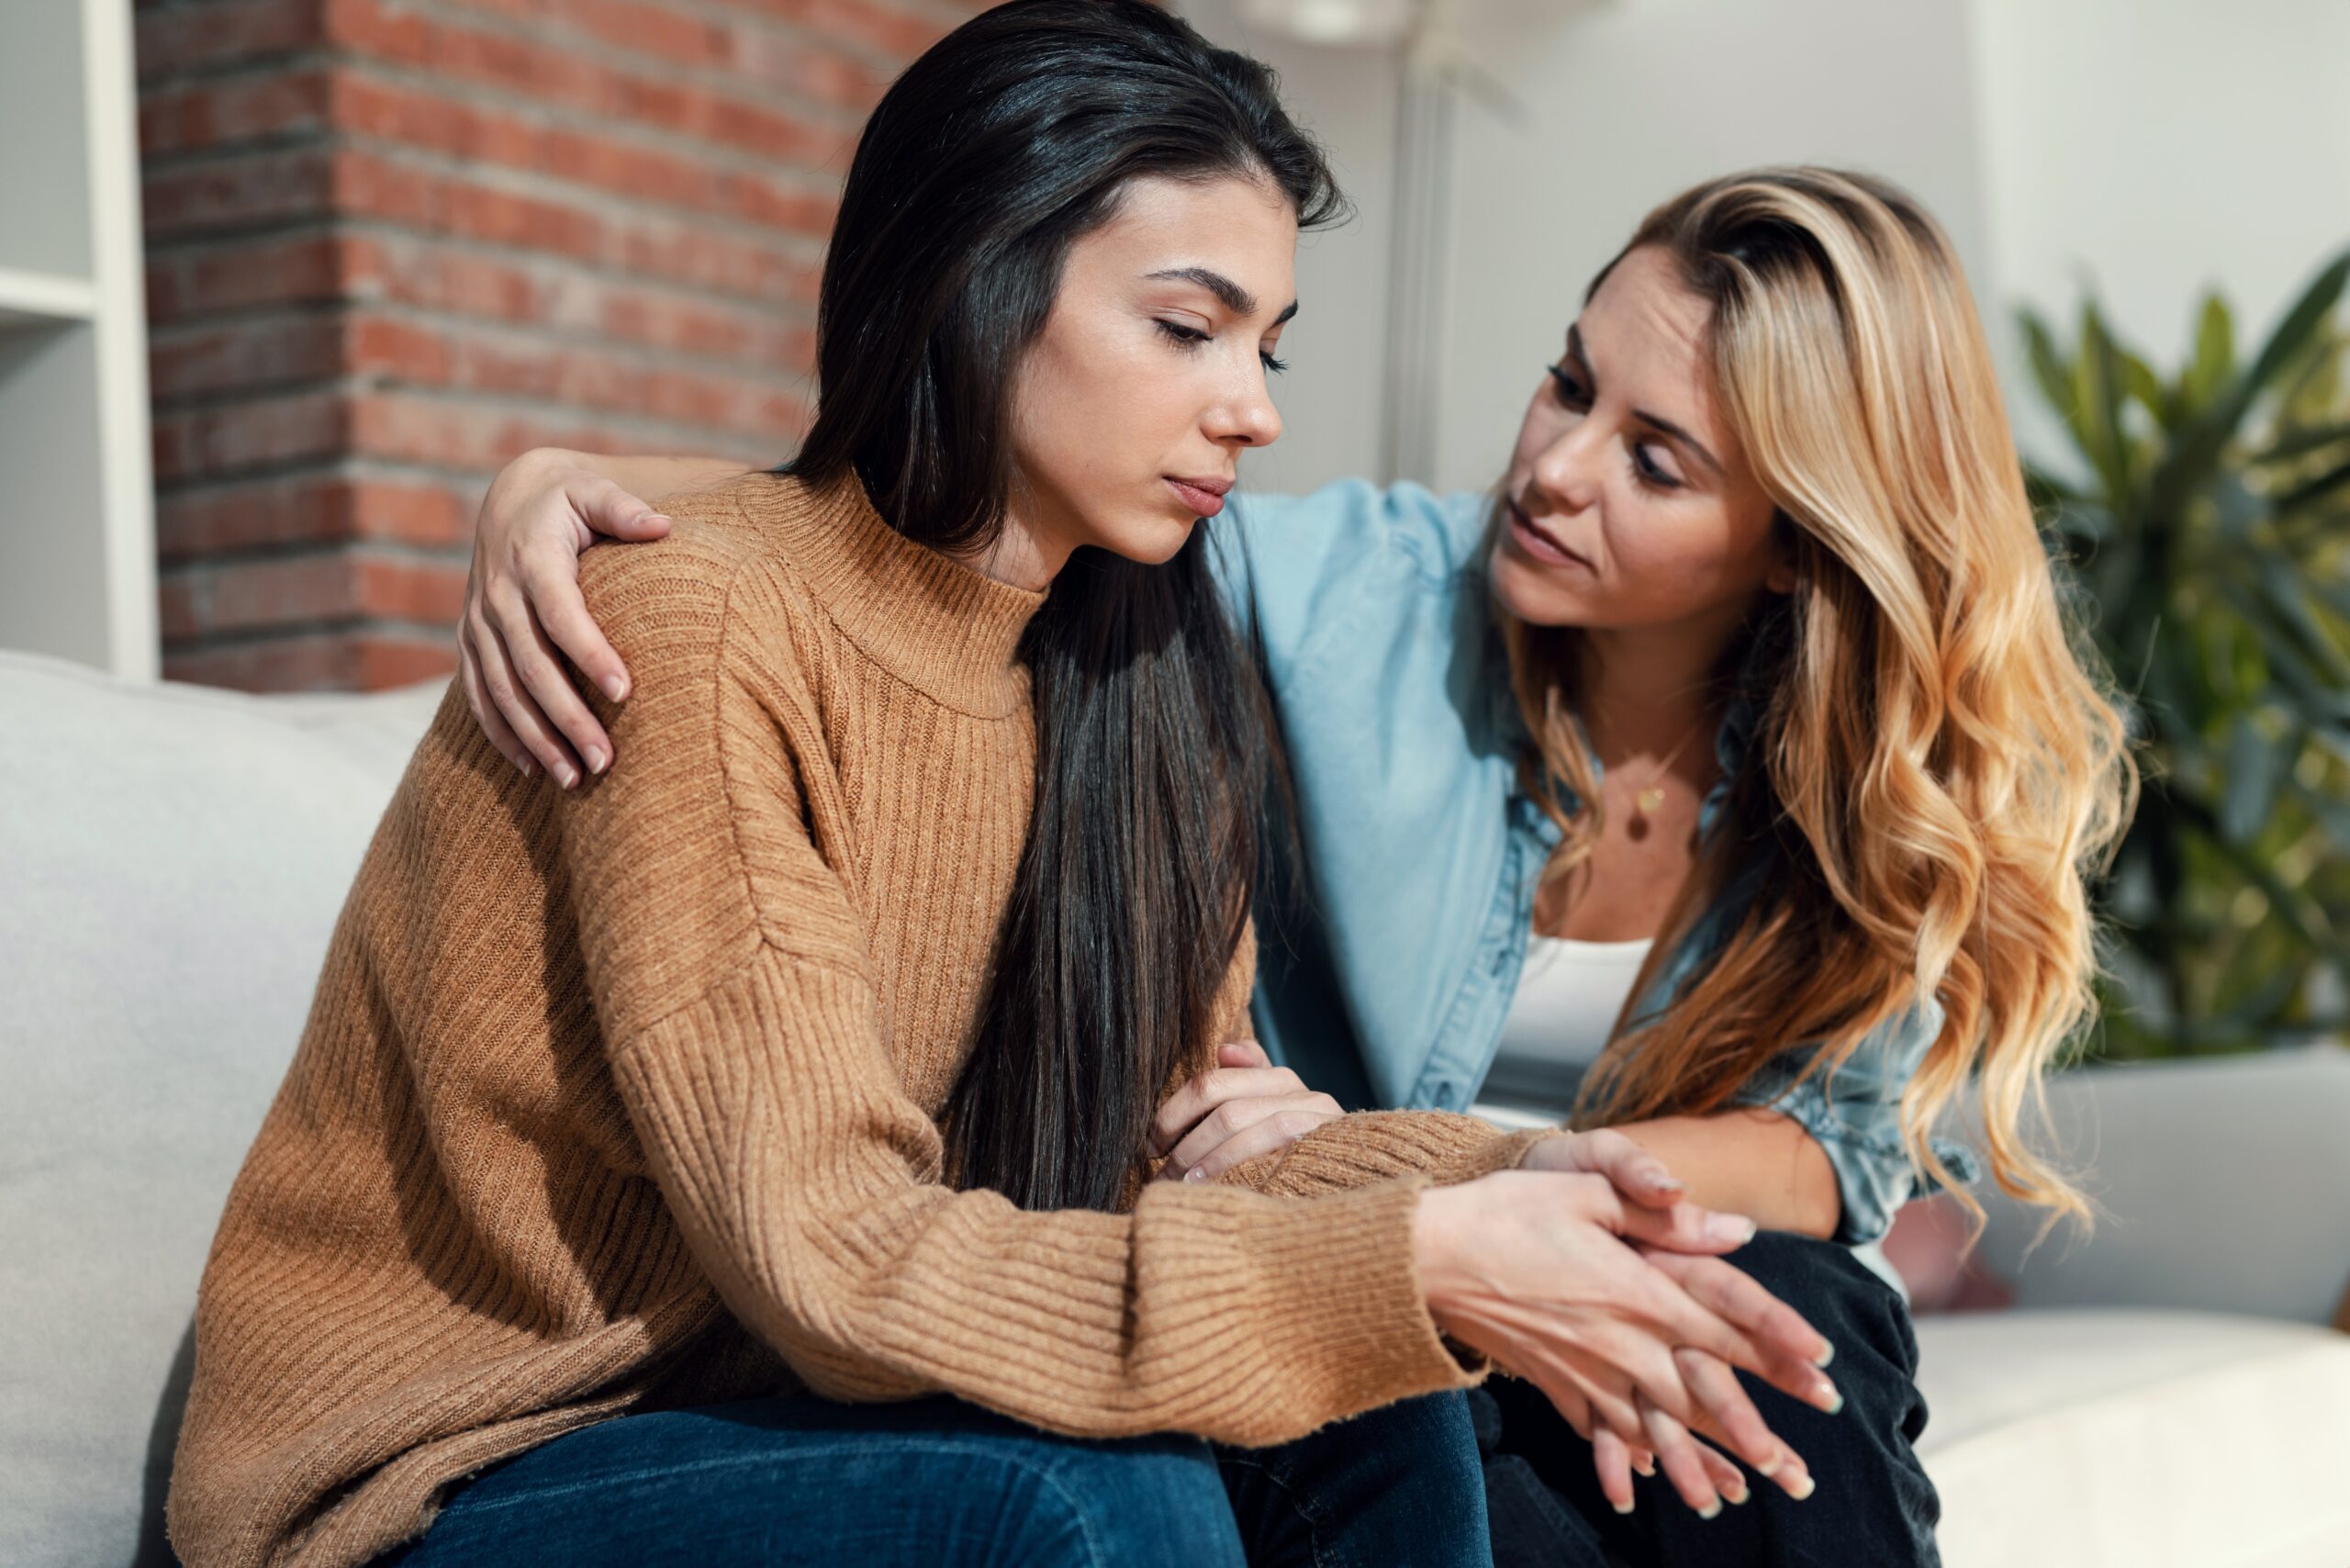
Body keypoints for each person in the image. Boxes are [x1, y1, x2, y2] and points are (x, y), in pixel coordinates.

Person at [164, 7, 1841, 1568]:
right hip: (449, 1472)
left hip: (772, 1416)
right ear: (980, 274)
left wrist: (1499, 1184)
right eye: (1186, 327)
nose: (1254, 410)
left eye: (1267, 345)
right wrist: (1407, 1256)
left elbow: (1192, 1144)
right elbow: (829, 1258)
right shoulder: (695, 624)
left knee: (1373, 1402)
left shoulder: (1139, 673)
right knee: (1091, 1493)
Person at [463, 165, 2135, 1566]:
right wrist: (570, 484)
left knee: (1795, 1322)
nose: (1554, 470)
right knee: (1604, 1393)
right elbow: (978, 519)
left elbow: (1831, 1153)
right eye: (1570, 384)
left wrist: (1502, 1185)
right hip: (1335, 1280)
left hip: (1506, 1237)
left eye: (1656, 460)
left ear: (1794, 546)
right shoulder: (1359, 599)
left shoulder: (1864, 785)